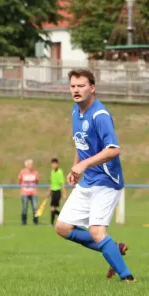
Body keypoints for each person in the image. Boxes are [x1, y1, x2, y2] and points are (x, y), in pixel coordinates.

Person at [54, 68, 133, 282]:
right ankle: (113, 249)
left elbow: (113, 149)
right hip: (88, 179)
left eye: (81, 86)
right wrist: (75, 167)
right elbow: (81, 144)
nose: (76, 90)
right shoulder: (75, 111)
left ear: (92, 87)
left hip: (107, 181)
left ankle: (128, 278)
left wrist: (83, 165)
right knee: (62, 227)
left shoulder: (100, 115)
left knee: (97, 232)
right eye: (73, 86)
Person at [18, 159, 39, 225]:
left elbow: (37, 181)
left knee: (35, 207)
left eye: (32, 164)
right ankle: (24, 221)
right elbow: (19, 180)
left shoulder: (35, 173)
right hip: (25, 193)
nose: (31, 166)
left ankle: (36, 221)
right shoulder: (22, 172)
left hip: (33, 193)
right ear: (26, 165)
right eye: (29, 164)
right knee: (24, 207)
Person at [48, 158, 66, 226]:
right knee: (52, 208)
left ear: (57, 164)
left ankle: (57, 221)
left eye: (55, 164)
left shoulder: (60, 172)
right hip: (53, 191)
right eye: (52, 164)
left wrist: (64, 194)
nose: (54, 165)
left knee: (52, 208)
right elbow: (51, 183)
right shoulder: (52, 172)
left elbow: (62, 183)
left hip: (58, 191)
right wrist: (49, 191)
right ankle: (59, 219)